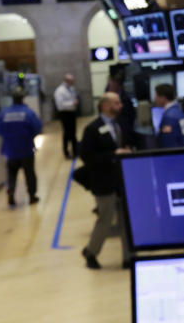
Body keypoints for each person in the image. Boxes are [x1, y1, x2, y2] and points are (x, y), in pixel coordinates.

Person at [79, 92, 131, 269]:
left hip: (121, 181)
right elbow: (87, 156)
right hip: (103, 182)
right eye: (116, 103)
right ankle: (91, 252)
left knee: (125, 220)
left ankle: (127, 257)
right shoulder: (92, 129)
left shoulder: (120, 124)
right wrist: (112, 155)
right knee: (105, 220)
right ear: (105, 105)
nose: (120, 106)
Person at [0, 87, 42, 207]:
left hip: (10, 150)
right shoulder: (28, 112)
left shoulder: (3, 113)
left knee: (11, 173)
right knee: (29, 173)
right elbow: (37, 128)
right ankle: (32, 196)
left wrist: (9, 137)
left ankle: (11, 193)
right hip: (26, 149)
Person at [105, 66, 137, 148]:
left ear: (118, 85)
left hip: (123, 134)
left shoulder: (125, 99)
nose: (109, 85)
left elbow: (131, 118)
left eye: (111, 83)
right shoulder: (107, 96)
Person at [153, 84, 184, 148]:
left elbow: (168, 143)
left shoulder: (169, 117)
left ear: (163, 97)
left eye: (156, 96)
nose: (155, 99)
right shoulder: (179, 111)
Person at [54, 73, 79, 159]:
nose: (73, 83)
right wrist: (72, 103)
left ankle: (76, 151)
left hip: (72, 113)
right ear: (67, 81)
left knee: (73, 133)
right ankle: (66, 152)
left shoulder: (71, 89)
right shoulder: (60, 91)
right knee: (67, 133)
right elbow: (60, 105)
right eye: (72, 81)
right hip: (65, 114)